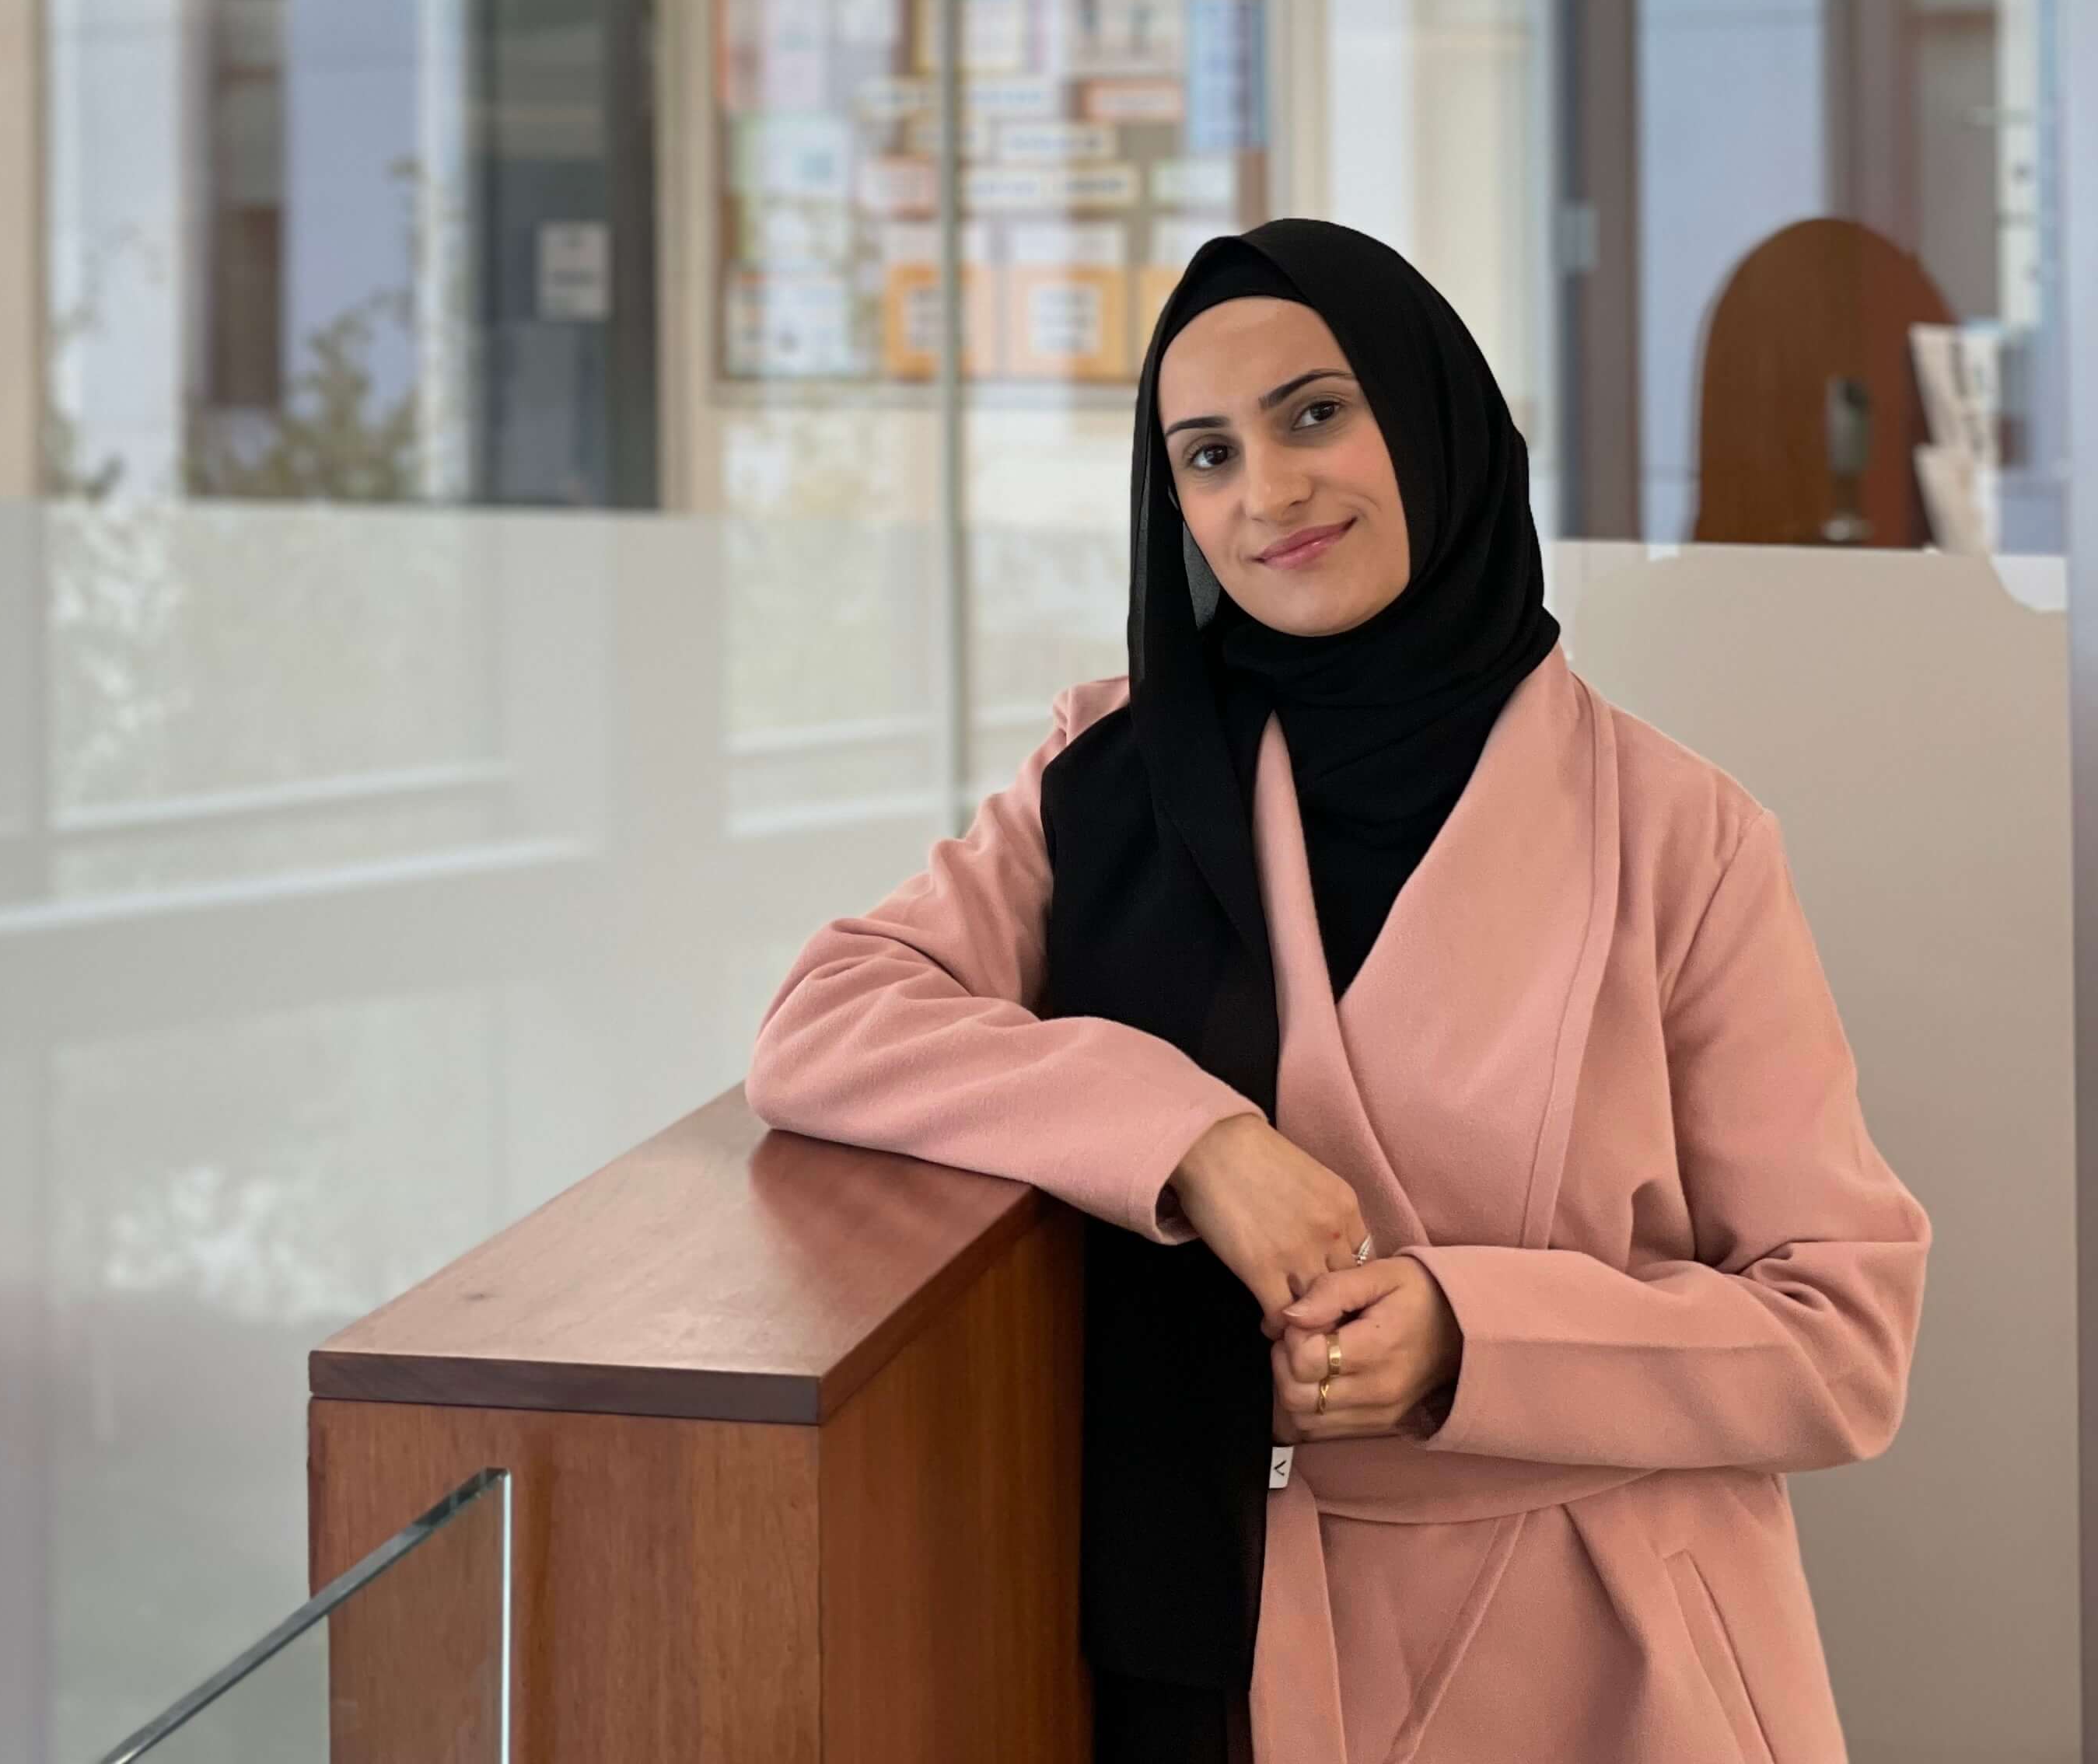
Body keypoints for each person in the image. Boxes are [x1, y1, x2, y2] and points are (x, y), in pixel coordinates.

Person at [747, 220, 1928, 1764]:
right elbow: (827, 1019)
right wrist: (1190, 1142)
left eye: (1316, 414)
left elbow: (1841, 1334)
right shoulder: (1118, 776)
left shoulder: (1678, 838)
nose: (1271, 493)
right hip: (1203, 1647)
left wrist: (1468, 1337)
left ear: (1432, 418)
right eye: (1208, 456)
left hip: (1602, 1662)